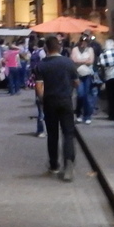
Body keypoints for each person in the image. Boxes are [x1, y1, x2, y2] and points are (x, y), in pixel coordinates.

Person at [35, 36, 79, 181]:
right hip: (65, 101)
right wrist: (69, 89)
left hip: (50, 102)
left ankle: (54, 165)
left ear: (46, 48)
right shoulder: (68, 62)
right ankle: (69, 162)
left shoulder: (41, 65)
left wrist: (42, 100)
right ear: (59, 47)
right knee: (68, 133)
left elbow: (39, 86)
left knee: (52, 134)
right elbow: (76, 82)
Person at [70, 35, 96, 124]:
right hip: (78, 76)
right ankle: (78, 113)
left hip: (87, 75)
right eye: (82, 42)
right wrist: (85, 60)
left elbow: (91, 61)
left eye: (85, 42)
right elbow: (73, 60)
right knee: (80, 94)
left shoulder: (90, 50)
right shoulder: (75, 49)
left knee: (87, 95)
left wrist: (79, 61)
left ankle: (87, 115)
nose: (83, 44)